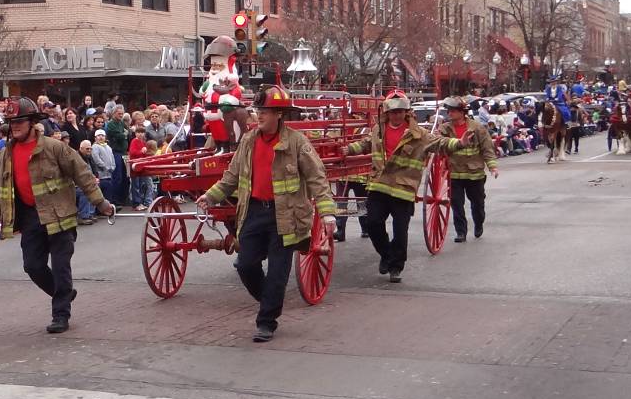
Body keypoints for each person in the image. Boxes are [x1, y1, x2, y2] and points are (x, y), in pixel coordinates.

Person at [196, 85, 336, 343]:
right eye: (258, 110)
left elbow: (317, 178)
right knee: (245, 265)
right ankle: (271, 300)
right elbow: (232, 177)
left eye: (266, 111)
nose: (259, 115)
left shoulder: (297, 143)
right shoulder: (249, 140)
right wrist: (211, 195)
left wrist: (327, 214)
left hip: (286, 216)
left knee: (277, 272)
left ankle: (266, 321)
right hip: (254, 212)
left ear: (279, 114)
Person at [0, 97, 112, 334]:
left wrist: (100, 202)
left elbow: (82, 174)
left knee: (61, 266)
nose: (15, 126)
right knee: (32, 266)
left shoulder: (55, 148)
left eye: (20, 121)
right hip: (31, 217)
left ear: (33, 122)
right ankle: (63, 293)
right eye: (12, 122)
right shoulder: (6, 155)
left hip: (60, 216)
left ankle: (60, 314)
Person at [342, 90, 474, 283]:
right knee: (372, 224)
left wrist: (459, 143)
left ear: (406, 112)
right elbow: (366, 144)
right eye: (393, 112)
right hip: (379, 185)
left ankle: (396, 267)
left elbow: (439, 143)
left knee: (400, 230)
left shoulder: (418, 135)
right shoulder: (379, 129)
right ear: (387, 113)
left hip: (403, 189)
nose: (396, 115)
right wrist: (349, 149)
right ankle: (386, 254)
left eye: (400, 112)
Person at [439, 97, 498, 243]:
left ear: (462, 112)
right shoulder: (444, 129)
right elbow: (439, 144)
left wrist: (492, 166)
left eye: (453, 111)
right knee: (457, 204)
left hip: (475, 174)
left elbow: (487, 148)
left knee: (477, 203)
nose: (449, 113)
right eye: (448, 111)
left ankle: (479, 223)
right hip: (454, 173)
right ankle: (461, 232)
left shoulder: (477, 128)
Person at [105, 105, 129, 205]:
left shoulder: (122, 123)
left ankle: (123, 198)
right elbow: (118, 135)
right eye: (119, 113)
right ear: (114, 113)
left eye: (122, 114)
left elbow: (128, 132)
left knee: (125, 176)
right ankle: (115, 199)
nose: (120, 115)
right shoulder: (111, 124)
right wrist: (124, 134)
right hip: (116, 152)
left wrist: (124, 134)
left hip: (124, 153)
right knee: (117, 176)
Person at [128, 126, 153, 211]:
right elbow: (132, 152)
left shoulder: (142, 142)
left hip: (140, 166)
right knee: (135, 186)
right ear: (135, 133)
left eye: (142, 132)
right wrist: (141, 152)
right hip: (135, 166)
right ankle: (136, 203)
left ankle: (140, 202)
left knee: (141, 184)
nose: (140, 134)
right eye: (138, 132)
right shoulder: (134, 141)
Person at [91, 129, 115, 203]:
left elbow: (112, 158)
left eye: (102, 135)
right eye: (98, 135)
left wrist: (113, 167)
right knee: (102, 193)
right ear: (95, 138)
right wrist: (106, 167)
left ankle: (109, 206)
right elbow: (96, 159)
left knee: (109, 192)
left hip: (109, 175)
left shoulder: (108, 147)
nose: (101, 137)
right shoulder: (95, 146)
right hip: (101, 175)